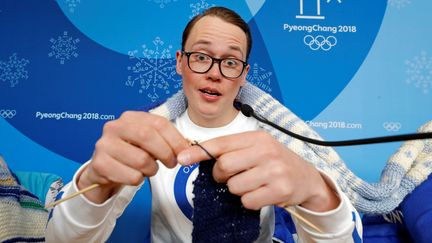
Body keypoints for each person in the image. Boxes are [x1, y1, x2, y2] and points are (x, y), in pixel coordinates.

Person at [46, 6, 362, 242]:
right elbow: (62, 240)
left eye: (230, 62)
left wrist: (317, 194)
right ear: (180, 62)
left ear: (243, 74)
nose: (214, 72)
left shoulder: (275, 143)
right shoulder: (149, 133)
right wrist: (93, 184)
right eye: (201, 57)